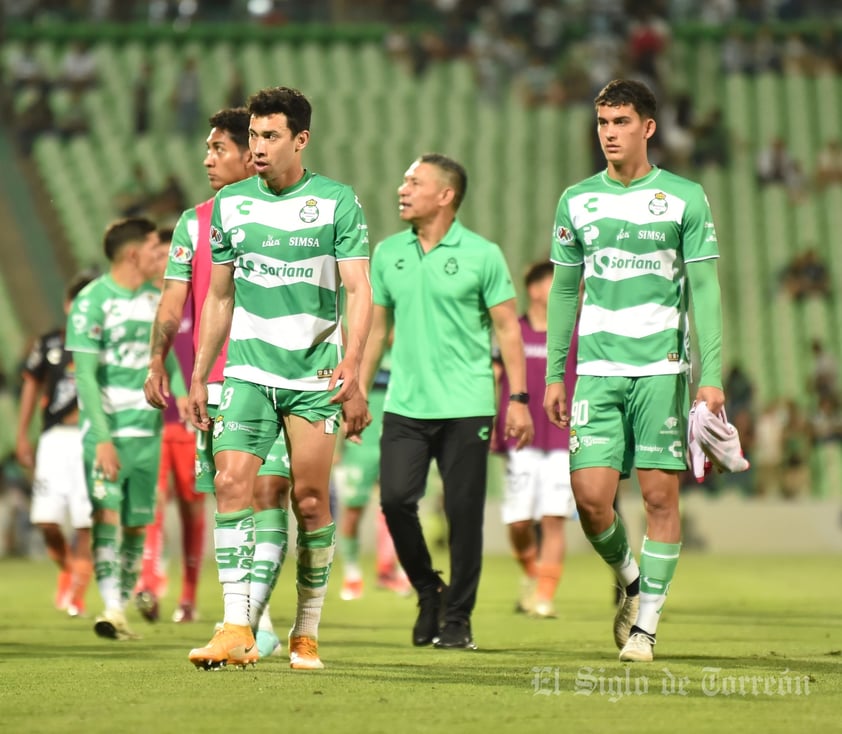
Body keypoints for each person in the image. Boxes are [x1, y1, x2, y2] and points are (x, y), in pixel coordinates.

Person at [186, 86, 372, 670]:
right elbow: (218, 298)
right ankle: (236, 626)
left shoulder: (338, 202)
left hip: (313, 373)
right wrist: (198, 374)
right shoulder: (232, 206)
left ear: (300, 139)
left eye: (270, 136)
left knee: (311, 501)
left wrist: (354, 364)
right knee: (230, 484)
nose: (258, 147)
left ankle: (306, 630)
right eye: (255, 137)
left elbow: (359, 290)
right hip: (246, 370)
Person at [543, 79, 726, 663]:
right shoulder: (576, 199)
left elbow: (705, 291)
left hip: (660, 369)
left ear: (648, 127)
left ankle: (646, 627)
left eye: (621, 122)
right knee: (591, 498)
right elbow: (564, 292)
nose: (609, 134)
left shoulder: (683, 197)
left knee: (658, 498)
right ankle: (631, 578)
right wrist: (554, 374)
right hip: (596, 371)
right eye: (602, 123)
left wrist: (711, 373)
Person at [361, 153, 534, 651]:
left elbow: (507, 329)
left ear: (446, 195)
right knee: (395, 502)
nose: (402, 188)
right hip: (405, 404)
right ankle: (428, 591)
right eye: (403, 180)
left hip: (468, 404)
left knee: (463, 515)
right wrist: (356, 391)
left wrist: (517, 398)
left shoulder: (483, 254)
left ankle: (458, 618)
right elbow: (376, 331)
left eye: (414, 181)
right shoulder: (388, 252)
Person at [143, 107, 292, 656]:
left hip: (281, 372)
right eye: (207, 148)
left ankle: (249, 621)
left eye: (218, 149)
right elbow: (174, 299)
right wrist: (161, 361)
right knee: (233, 494)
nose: (207, 158)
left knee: (270, 490)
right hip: (220, 381)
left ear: (250, 151)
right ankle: (254, 622)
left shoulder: (293, 212)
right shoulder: (192, 222)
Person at [65, 217, 187, 641]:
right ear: (134, 254)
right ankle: (112, 605)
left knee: (136, 522)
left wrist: (184, 392)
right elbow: (83, 376)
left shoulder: (157, 300)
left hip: (147, 431)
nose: (162, 255)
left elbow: (165, 356)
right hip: (107, 433)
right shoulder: (92, 301)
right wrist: (101, 439)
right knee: (106, 512)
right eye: (156, 248)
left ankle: (120, 605)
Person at [492, 260, 577, 620]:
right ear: (536, 289)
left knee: (553, 517)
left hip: (561, 436)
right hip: (519, 440)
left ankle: (545, 594)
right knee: (519, 521)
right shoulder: (514, 332)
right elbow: (493, 376)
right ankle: (531, 575)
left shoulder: (574, 334)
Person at [15, 270, 98, 617]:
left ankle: (77, 588)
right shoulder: (49, 344)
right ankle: (68, 569)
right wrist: (22, 434)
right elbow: (31, 385)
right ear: (67, 306)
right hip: (52, 440)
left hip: (90, 438)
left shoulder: (103, 345)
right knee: (47, 521)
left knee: (85, 521)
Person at [134, 227, 203, 624]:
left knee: (191, 511)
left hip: (189, 423)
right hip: (152, 422)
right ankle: (149, 582)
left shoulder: (197, 300)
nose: (160, 259)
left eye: (166, 253)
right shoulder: (140, 305)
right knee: (153, 503)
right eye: (155, 253)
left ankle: (189, 597)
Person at [334, 342, 411, 601]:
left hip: (396, 442)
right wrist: (336, 447)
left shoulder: (405, 353)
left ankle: (399, 572)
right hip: (360, 446)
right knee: (353, 510)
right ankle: (352, 574)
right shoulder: (358, 357)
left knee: (399, 508)